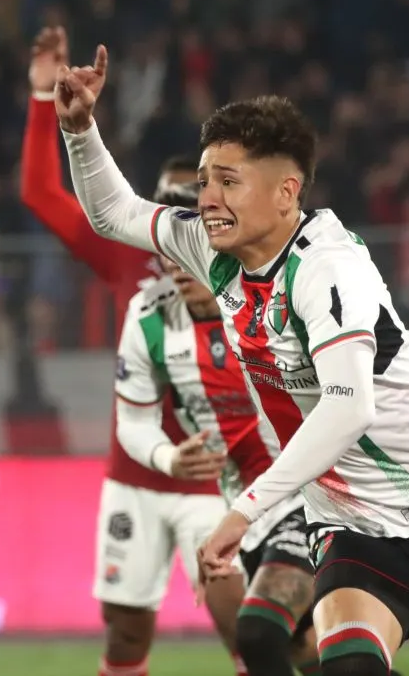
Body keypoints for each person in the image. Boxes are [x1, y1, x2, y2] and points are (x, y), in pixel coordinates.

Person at [54, 45, 409, 676]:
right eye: (205, 180)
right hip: (351, 523)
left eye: (228, 182)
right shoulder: (213, 248)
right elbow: (113, 213)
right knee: (346, 668)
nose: (207, 198)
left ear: (287, 192)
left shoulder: (328, 265)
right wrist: (79, 129)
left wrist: (243, 511)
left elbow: (348, 407)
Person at [20, 27, 235, 676]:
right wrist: (40, 98)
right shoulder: (126, 253)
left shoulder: (241, 268)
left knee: (248, 626)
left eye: (188, 197)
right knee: (125, 637)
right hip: (134, 478)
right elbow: (40, 194)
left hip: (219, 480)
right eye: (164, 199)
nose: (176, 210)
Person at [116, 253, 333, 676]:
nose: (178, 268)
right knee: (311, 653)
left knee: (258, 632)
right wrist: (169, 457)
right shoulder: (149, 314)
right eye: (168, 257)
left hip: (309, 493)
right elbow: (133, 420)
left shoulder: (275, 298)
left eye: (187, 253)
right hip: (245, 506)